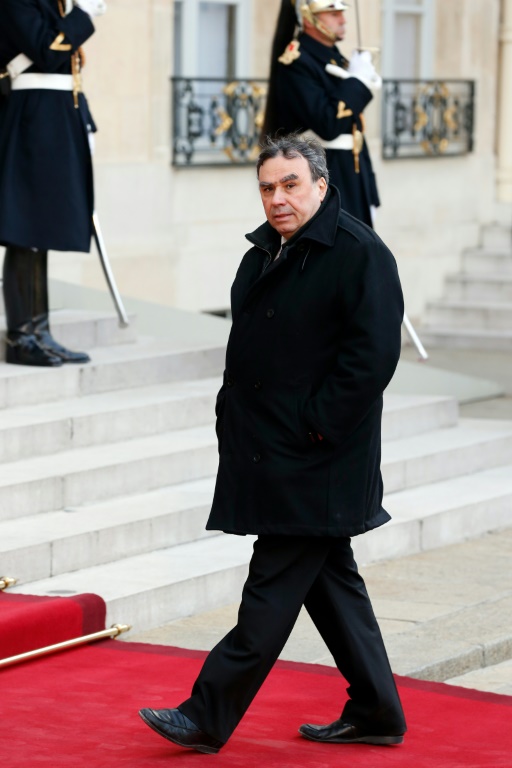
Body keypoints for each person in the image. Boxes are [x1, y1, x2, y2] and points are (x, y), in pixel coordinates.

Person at [138, 134, 406, 754]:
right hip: (270, 447)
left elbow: (371, 358)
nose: (277, 198)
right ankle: (377, 711)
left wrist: (317, 426)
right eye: (266, 187)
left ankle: (206, 715)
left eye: (290, 185)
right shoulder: (262, 252)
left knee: (272, 586)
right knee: (332, 586)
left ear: (321, 186)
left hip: (320, 458)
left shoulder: (360, 252)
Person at [0, 0, 107, 367]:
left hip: (56, 116)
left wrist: (84, 120)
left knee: (40, 232)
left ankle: (40, 332)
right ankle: (20, 337)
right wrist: (83, 15)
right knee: (25, 232)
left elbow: (70, 70)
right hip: (31, 117)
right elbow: (47, 52)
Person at [262, 0, 381, 228]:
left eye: (342, 13)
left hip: (351, 179)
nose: (343, 20)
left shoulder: (332, 57)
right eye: (333, 13)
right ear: (308, 17)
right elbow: (328, 124)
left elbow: (354, 133)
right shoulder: (297, 62)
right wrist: (357, 82)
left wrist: (369, 193)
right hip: (326, 178)